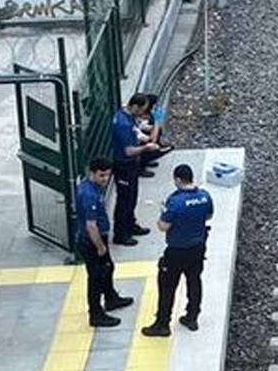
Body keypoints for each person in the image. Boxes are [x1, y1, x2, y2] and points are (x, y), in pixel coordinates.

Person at [142, 164, 214, 337]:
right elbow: (209, 216)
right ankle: (192, 317)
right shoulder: (205, 196)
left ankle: (162, 324)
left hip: (176, 251)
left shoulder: (174, 201)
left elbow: (163, 226)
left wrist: (162, 213)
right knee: (194, 281)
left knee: (167, 287)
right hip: (197, 247)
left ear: (178, 180)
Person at [76, 157, 133, 326]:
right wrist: (100, 247)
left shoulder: (92, 187)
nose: (105, 179)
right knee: (96, 277)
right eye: (101, 175)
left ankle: (111, 298)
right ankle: (95, 314)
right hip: (92, 241)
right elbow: (91, 226)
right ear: (91, 173)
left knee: (108, 268)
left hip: (97, 238)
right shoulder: (89, 195)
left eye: (107, 175)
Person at [111, 95, 158, 246]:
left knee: (131, 197)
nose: (144, 113)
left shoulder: (125, 116)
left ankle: (130, 225)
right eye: (143, 109)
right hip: (124, 165)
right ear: (135, 107)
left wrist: (142, 137)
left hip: (130, 165)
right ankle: (121, 234)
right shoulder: (123, 124)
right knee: (124, 200)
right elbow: (129, 151)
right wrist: (146, 147)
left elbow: (135, 131)